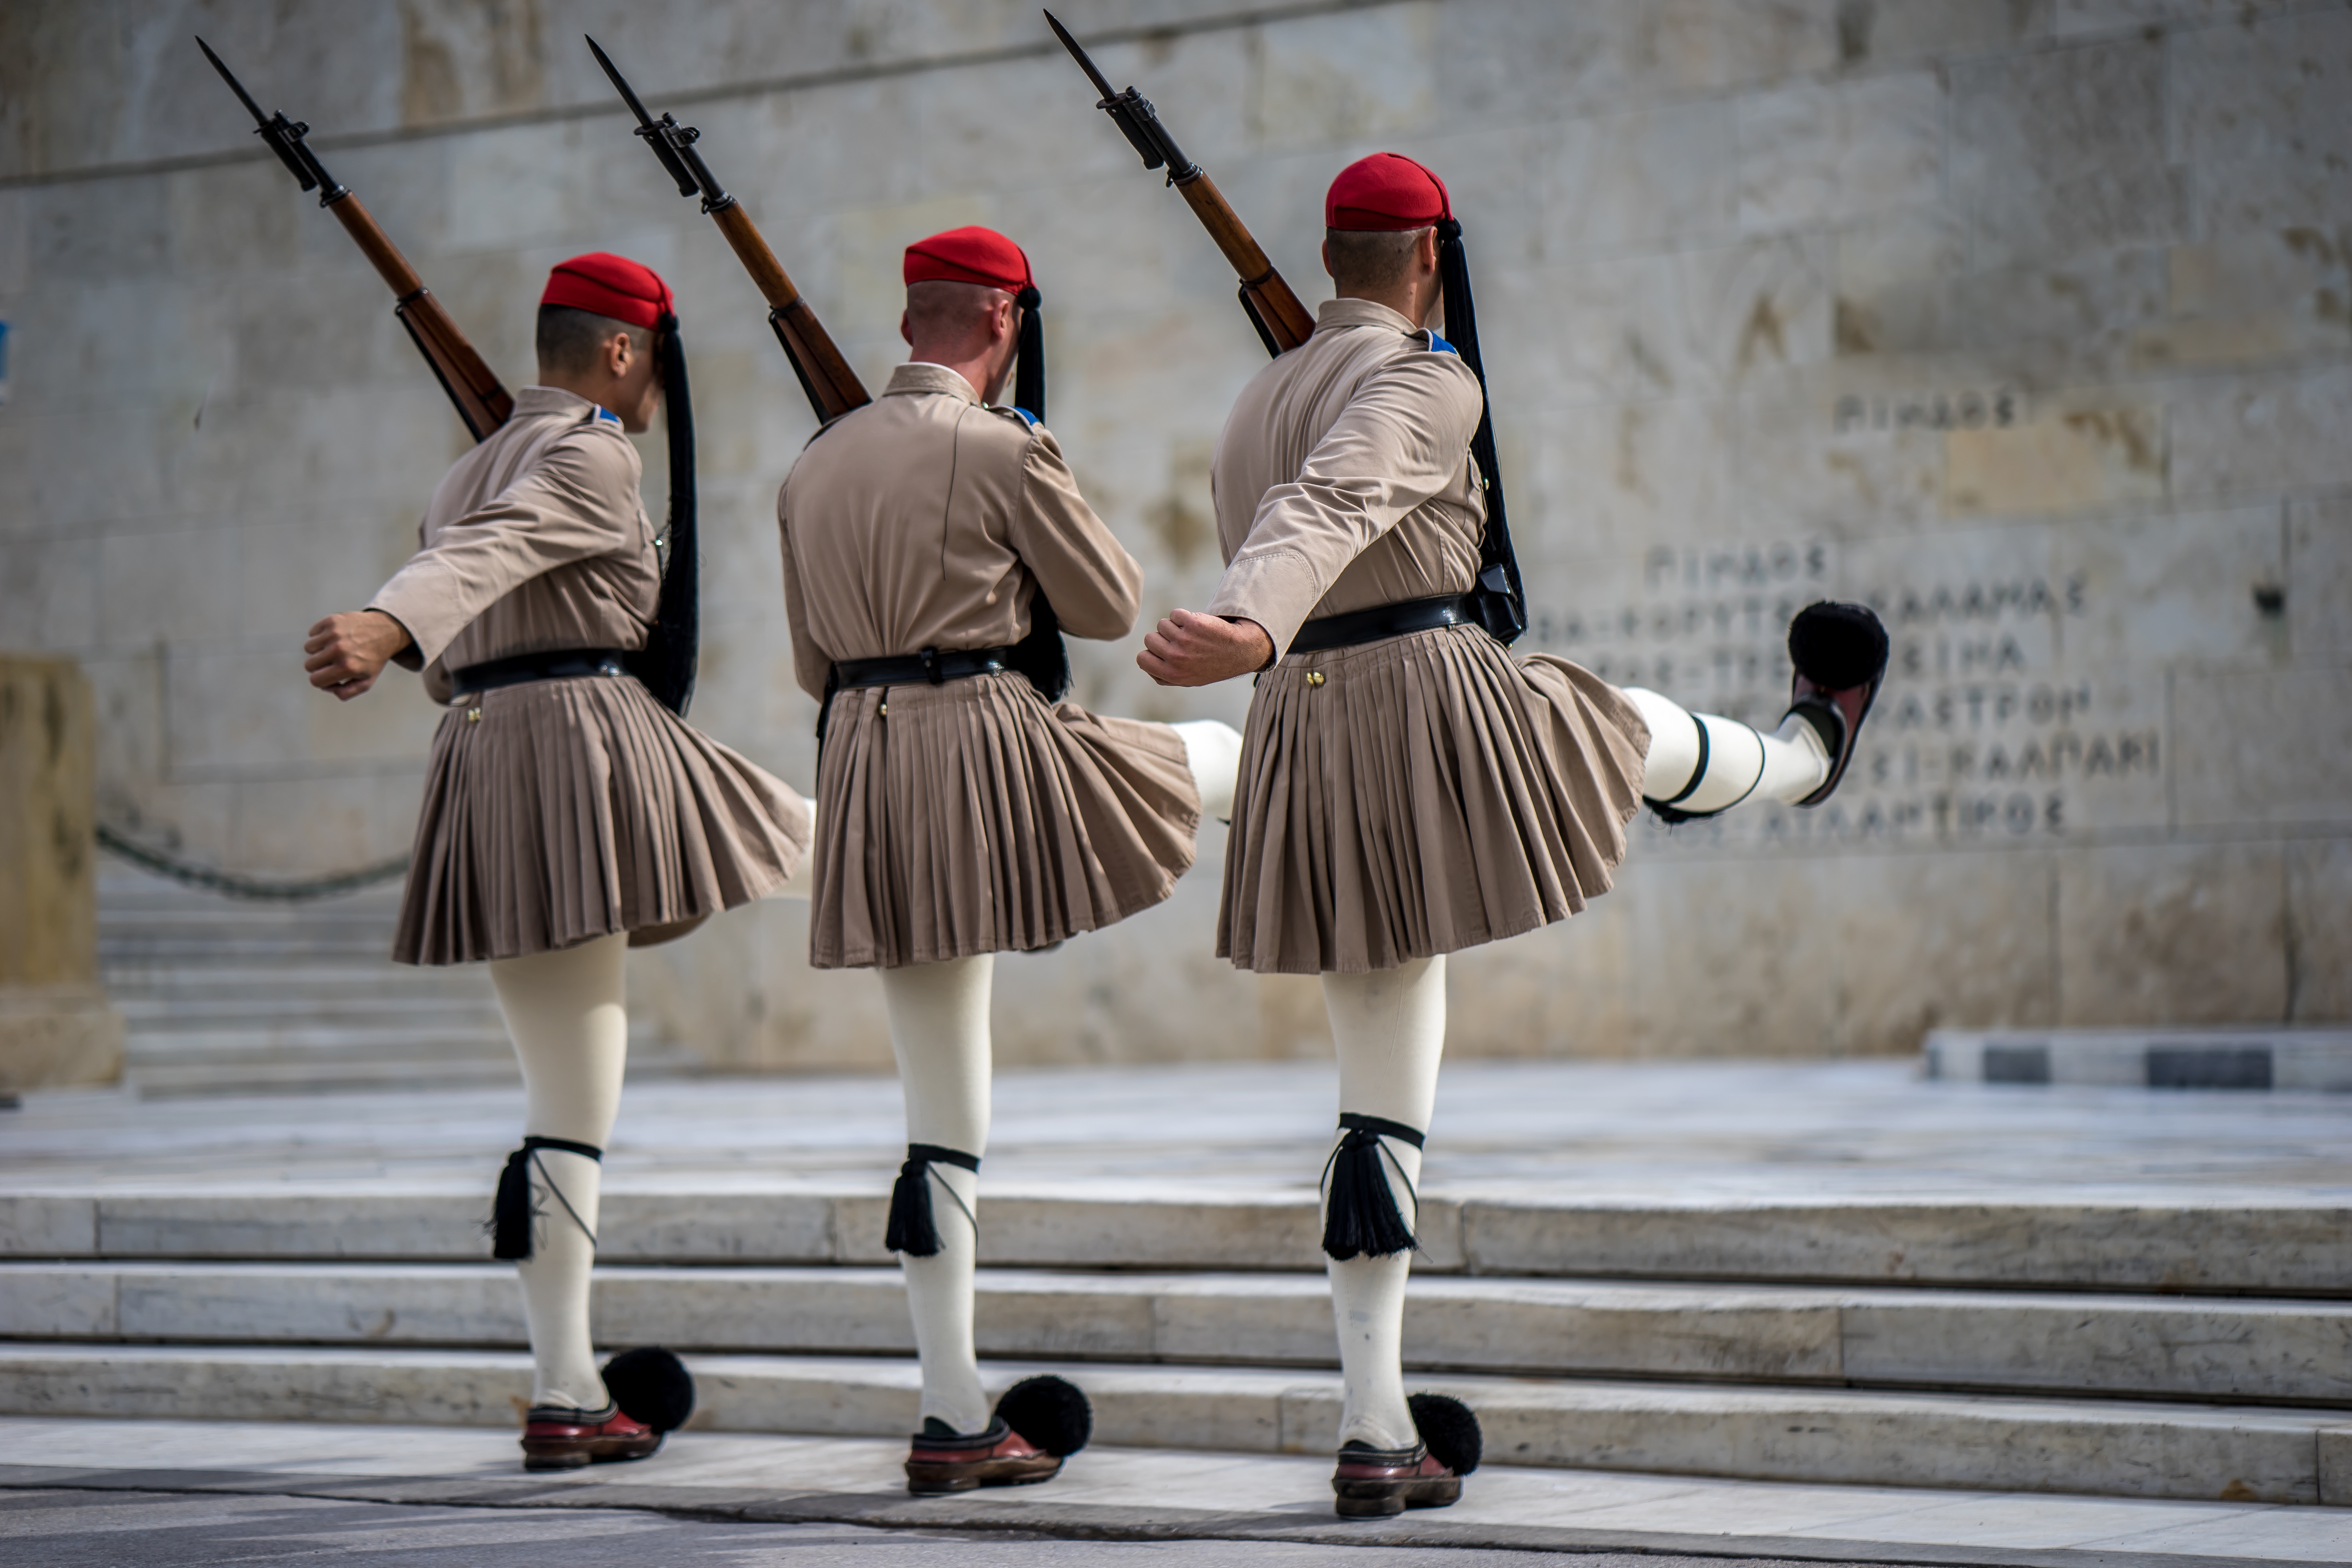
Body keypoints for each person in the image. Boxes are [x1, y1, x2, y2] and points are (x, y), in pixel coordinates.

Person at [1138, 153, 1889, 1518]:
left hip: (1307, 723)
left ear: (1329, 258)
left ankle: (1378, 1429)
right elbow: (1335, 505)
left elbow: (1301, 497)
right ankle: (1800, 756)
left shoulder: (1258, 397)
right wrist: (1249, 614)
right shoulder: (1430, 380)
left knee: (1377, 1104)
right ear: (1432, 254)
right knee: (1607, 722)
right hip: (1420, 697)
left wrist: (1261, 637)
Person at [301, 253, 812, 1471]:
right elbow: (489, 559)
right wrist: (386, 619)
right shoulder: (586, 454)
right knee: (848, 837)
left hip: (486, 759)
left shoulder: (466, 468)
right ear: (626, 353)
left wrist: (405, 628)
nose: (650, 402)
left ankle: (565, 1392)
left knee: (564, 1107)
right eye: (650, 373)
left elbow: (470, 576)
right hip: (585, 751)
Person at [777, 225, 1242, 1494]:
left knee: (940, 1110)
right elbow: (1105, 605)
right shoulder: (999, 445)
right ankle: (1326, 820)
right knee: (1206, 757)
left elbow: (809, 667)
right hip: (985, 746)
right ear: (1001, 321)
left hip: (866, 760)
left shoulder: (811, 468)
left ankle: (952, 1413)